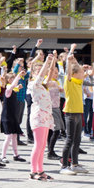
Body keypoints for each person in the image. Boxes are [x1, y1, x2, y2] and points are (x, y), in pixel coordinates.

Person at [28, 52, 56, 180]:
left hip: (46, 116)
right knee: (38, 144)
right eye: (37, 71)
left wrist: (53, 60)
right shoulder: (33, 84)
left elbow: (49, 73)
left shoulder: (43, 85)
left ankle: (40, 170)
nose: (41, 73)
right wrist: (46, 62)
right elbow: (41, 75)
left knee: (43, 145)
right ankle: (33, 171)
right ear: (32, 73)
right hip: (38, 116)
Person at [60, 43, 87, 175]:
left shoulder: (79, 82)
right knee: (69, 140)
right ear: (75, 74)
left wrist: (73, 57)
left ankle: (74, 164)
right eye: (81, 72)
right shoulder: (69, 81)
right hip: (70, 113)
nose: (84, 74)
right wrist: (70, 61)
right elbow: (68, 72)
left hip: (78, 112)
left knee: (77, 140)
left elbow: (78, 69)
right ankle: (64, 166)